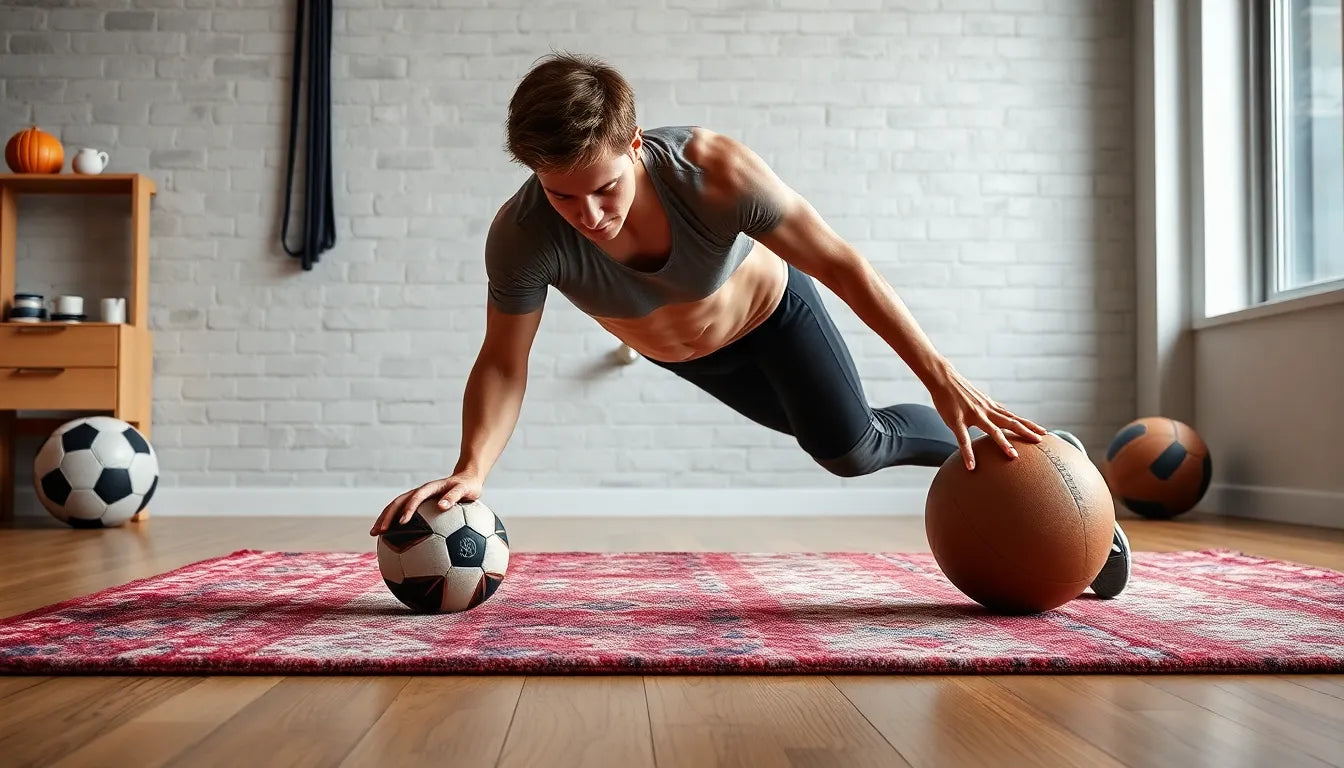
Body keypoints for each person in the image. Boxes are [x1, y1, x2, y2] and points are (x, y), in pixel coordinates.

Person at [369, 52, 1130, 598]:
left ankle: (1037, 462)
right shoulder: (522, 233)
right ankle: (1030, 459)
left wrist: (945, 379)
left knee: (852, 449)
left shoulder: (714, 172)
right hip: (692, 359)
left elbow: (842, 265)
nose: (590, 218)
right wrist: (473, 467)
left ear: (634, 147)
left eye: (603, 189)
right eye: (564, 198)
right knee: (842, 440)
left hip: (774, 317)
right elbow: (505, 360)